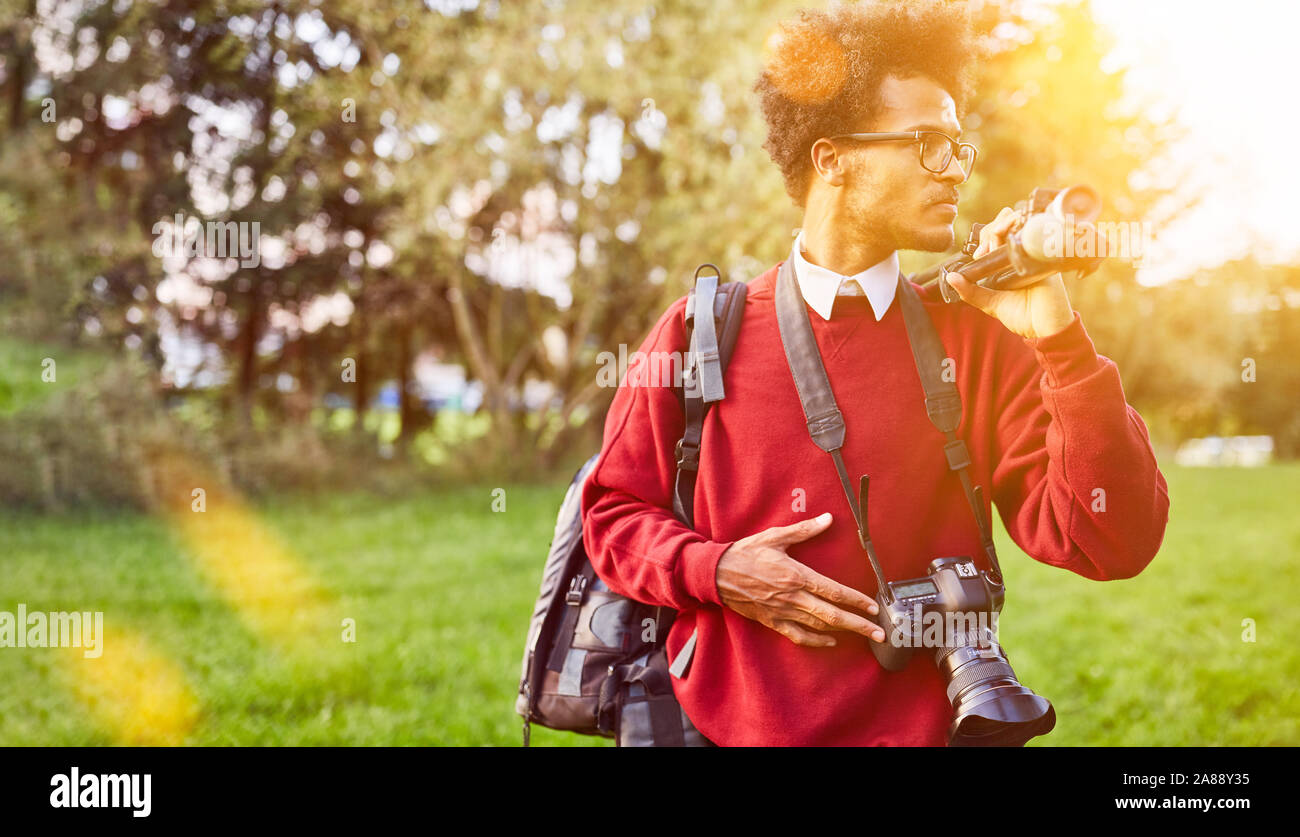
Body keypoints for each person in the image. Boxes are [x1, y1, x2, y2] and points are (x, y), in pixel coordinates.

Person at [580, 0, 1169, 746]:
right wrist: (719, 568)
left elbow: (1113, 539)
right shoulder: (699, 330)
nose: (954, 168)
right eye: (926, 143)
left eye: (958, 145)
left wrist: (1060, 340)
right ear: (833, 159)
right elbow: (611, 514)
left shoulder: (980, 338)